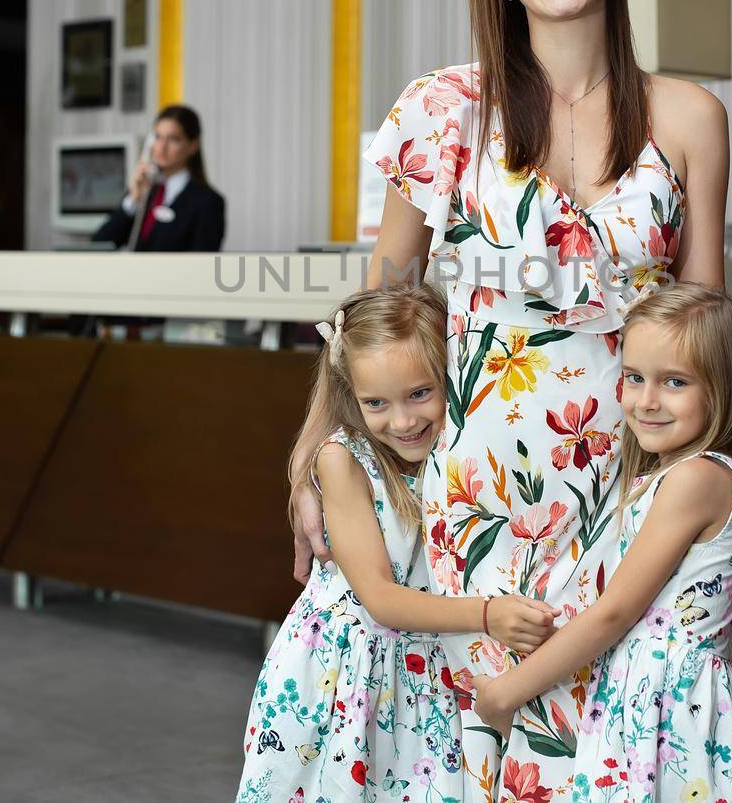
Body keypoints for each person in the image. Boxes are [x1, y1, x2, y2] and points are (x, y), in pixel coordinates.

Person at [290, 0, 732, 799]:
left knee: (606, 747)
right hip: (476, 474)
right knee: (469, 740)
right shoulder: (443, 110)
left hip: (636, 475)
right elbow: (378, 315)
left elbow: (708, 319)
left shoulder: (688, 116)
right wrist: (315, 455)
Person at [239, 286, 558, 803]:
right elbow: (381, 599)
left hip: (423, 670)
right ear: (351, 394)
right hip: (345, 675)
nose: (403, 421)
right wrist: (489, 616)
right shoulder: (343, 461)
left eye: (419, 393)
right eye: (376, 403)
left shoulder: (456, 452)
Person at [473, 284, 732, 802]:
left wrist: (507, 692)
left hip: (671, 706)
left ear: (725, 387)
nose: (646, 401)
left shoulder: (697, 479)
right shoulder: (675, 473)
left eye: (675, 382)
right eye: (634, 378)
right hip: (642, 696)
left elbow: (614, 613)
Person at [93, 105, 225, 251]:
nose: (162, 146)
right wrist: (133, 199)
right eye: (158, 137)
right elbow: (100, 243)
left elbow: (203, 263)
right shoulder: (145, 192)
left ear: (193, 146)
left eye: (173, 139)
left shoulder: (208, 202)